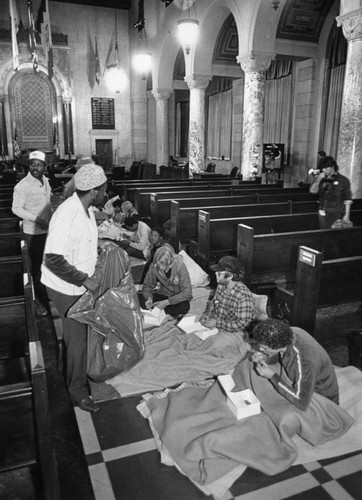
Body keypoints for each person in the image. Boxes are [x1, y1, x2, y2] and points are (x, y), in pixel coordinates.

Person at [41, 164, 110, 413]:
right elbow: (53, 258)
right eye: (103, 189)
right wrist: (84, 279)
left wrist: (97, 246)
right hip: (65, 288)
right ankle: (77, 393)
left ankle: (66, 374)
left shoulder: (86, 208)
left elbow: (80, 241)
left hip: (73, 284)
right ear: (92, 191)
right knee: (79, 340)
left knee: (74, 338)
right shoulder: (67, 213)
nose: (105, 193)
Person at [251, 318, 339, 411]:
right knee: (251, 367)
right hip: (299, 380)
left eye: (264, 347)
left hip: (319, 398)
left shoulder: (306, 360)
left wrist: (273, 376)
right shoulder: (289, 333)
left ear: (276, 346)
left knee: (283, 416)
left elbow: (301, 402)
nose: (260, 349)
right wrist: (265, 356)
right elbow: (281, 354)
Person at [12, 150, 52, 316]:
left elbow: (47, 204)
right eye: (32, 164)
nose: (35, 168)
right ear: (28, 165)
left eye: (39, 165)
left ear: (44, 166)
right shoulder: (22, 186)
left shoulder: (46, 181)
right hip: (33, 233)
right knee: (36, 269)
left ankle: (46, 295)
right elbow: (16, 208)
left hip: (47, 231)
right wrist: (35, 218)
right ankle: (39, 302)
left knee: (47, 265)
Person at [200, 256, 256, 333]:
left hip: (236, 332)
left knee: (211, 343)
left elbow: (242, 325)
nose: (216, 274)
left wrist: (217, 323)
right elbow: (213, 304)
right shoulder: (221, 286)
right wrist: (207, 316)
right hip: (219, 327)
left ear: (230, 276)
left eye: (219, 273)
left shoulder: (243, 296)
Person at [141, 245, 192, 318]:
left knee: (184, 306)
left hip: (177, 298)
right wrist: (149, 298)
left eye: (161, 264)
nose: (159, 267)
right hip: (163, 294)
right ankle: (159, 310)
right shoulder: (154, 265)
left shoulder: (181, 267)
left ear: (169, 262)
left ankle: (158, 311)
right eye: (157, 264)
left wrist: (167, 302)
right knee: (138, 298)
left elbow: (187, 293)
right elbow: (147, 286)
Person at [309, 156, 352, 229]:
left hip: (336, 212)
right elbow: (312, 191)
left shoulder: (343, 180)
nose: (323, 170)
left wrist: (347, 215)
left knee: (334, 237)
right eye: (322, 168)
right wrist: (319, 179)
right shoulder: (322, 179)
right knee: (323, 234)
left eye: (325, 168)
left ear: (332, 167)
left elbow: (347, 199)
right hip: (322, 211)